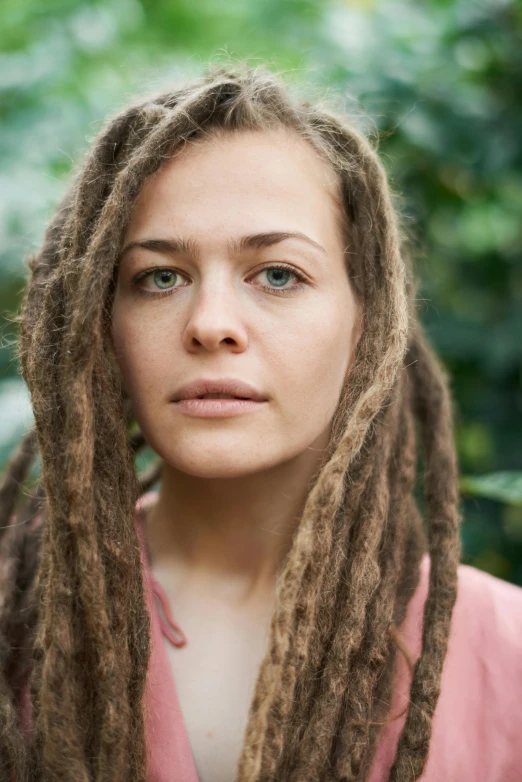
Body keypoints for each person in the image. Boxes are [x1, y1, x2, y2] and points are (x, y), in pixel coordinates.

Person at [0, 62, 521, 782]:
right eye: (159, 277)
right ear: (100, 322)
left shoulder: (506, 649)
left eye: (278, 274)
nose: (212, 325)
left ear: (367, 320)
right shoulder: (14, 621)